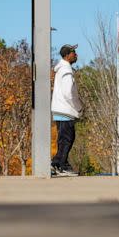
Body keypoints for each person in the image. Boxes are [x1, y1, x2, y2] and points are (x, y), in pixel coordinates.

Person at [51, 44, 83, 177]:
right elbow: (68, 94)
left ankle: (58, 163)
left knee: (63, 139)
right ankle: (60, 165)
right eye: (73, 53)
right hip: (66, 110)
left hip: (60, 110)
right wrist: (78, 106)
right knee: (67, 139)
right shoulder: (66, 71)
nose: (76, 55)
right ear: (67, 55)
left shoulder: (62, 69)